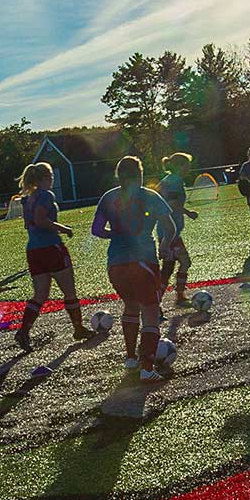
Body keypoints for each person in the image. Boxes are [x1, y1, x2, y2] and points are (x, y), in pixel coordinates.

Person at [90, 155, 179, 381]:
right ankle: (147, 369)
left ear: (119, 176)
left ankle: (131, 358)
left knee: (130, 306)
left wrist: (116, 234)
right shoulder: (150, 196)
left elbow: (97, 229)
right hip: (142, 261)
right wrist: (164, 246)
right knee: (150, 311)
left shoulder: (108, 197)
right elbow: (171, 227)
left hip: (115, 264)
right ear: (140, 174)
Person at [11, 162, 90, 349]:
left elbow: (28, 225)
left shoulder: (28, 198)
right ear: (46, 177)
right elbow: (40, 220)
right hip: (51, 247)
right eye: (51, 176)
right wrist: (64, 229)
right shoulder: (46, 195)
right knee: (69, 291)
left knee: (40, 295)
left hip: (33, 249)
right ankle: (78, 328)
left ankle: (23, 331)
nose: (53, 179)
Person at [158, 153, 200, 304]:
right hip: (170, 232)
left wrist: (186, 212)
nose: (189, 168)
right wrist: (186, 211)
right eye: (187, 164)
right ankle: (166, 300)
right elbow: (172, 203)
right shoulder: (175, 181)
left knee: (170, 267)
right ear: (180, 166)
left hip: (168, 231)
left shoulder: (168, 180)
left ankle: (174, 297)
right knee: (182, 262)